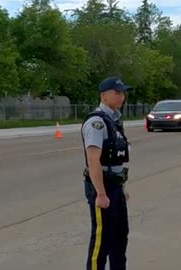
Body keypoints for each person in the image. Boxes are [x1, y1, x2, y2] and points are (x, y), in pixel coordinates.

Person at [81, 76, 132, 270]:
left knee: (120, 237)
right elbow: (93, 161)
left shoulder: (114, 121)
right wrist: (101, 193)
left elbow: (116, 160)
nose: (122, 97)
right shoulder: (97, 123)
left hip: (116, 186)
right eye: (117, 92)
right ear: (103, 95)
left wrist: (123, 187)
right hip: (102, 187)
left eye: (123, 93)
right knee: (102, 241)